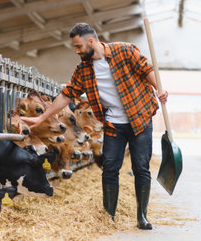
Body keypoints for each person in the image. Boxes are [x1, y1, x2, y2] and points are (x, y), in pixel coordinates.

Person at [22, 22, 168, 230]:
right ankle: (109, 217)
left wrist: (159, 89)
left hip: (140, 119)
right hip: (112, 123)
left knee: (141, 168)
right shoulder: (83, 69)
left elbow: (146, 70)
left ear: (91, 41)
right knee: (109, 168)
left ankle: (142, 217)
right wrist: (42, 117)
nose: (77, 51)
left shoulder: (124, 51)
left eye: (79, 46)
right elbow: (66, 95)